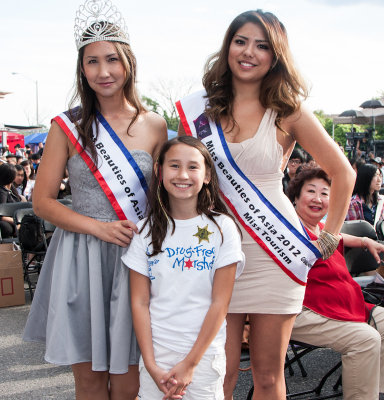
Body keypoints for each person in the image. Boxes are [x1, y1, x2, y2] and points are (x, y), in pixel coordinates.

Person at [176, 10, 355, 400]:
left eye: (262, 45)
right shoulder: (200, 111)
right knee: (214, 374)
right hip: (215, 248)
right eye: (241, 41)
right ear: (228, 47)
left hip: (274, 252)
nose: (249, 52)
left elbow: (344, 173)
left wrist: (329, 236)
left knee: (269, 377)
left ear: (275, 56)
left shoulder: (288, 109)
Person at [22, 1, 167, 399]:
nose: (103, 72)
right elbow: (43, 203)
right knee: (87, 382)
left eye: (112, 60)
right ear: (81, 69)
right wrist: (98, 227)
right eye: (92, 62)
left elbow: (163, 200)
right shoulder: (65, 127)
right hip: (81, 258)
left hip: (135, 258)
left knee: (128, 382)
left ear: (128, 64)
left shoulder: (155, 124)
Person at [124, 136, 244, 399]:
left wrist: (190, 364)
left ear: (207, 175)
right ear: (160, 171)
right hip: (156, 357)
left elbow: (220, 304)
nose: (183, 175)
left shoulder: (223, 229)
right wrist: (152, 365)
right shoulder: (144, 231)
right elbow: (139, 302)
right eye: (174, 165)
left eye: (193, 167)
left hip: (203, 358)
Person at [287, 166, 384, 400]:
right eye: (311, 191)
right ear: (295, 197)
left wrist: (363, 240)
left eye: (325, 193)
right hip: (304, 311)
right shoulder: (286, 230)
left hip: (344, 306)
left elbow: (337, 236)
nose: (318, 199)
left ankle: (377, 391)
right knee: (366, 339)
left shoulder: (322, 228)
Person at [0, 163, 22, 238]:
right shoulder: (2, 192)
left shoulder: (12, 188)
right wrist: (16, 222)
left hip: (17, 218)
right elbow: (1, 215)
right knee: (5, 227)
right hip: (10, 221)